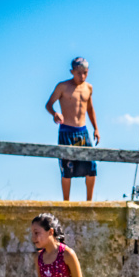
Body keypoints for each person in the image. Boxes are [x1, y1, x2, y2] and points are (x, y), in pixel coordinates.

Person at [45, 57, 100, 201]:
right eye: (79, 73)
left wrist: (96, 128)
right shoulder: (62, 86)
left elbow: (90, 109)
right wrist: (55, 113)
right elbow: (48, 104)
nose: (82, 76)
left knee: (91, 167)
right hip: (66, 131)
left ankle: (89, 203)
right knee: (67, 168)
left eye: (85, 73)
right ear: (72, 72)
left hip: (83, 131)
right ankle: (66, 203)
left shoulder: (88, 88)